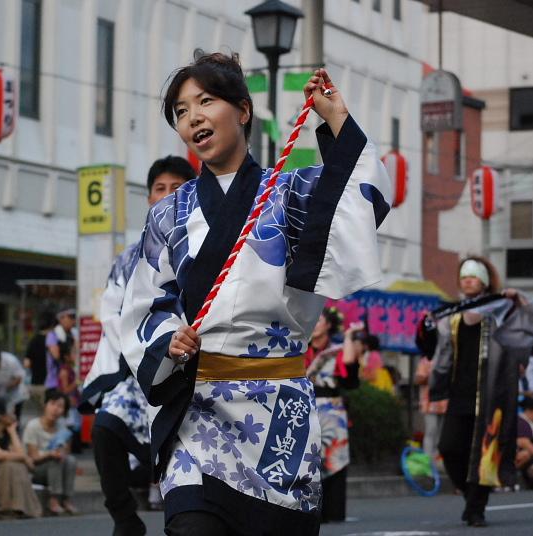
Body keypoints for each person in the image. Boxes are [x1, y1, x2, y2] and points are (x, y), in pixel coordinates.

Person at [120, 53, 389, 535]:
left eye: (205, 101)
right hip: (198, 415)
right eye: (181, 111)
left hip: (277, 408)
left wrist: (336, 120)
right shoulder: (167, 215)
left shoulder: (290, 194)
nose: (193, 117)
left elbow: (360, 201)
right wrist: (168, 339)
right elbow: (146, 302)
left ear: (242, 111)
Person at [80, 154, 195, 536]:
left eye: (177, 188)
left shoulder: (208, 246)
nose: (167, 195)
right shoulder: (130, 256)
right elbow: (112, 311)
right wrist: (144, 349)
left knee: (184, 457)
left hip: (194, 371)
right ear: (148, 198)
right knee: (106, 427)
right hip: (139, 368)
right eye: (159, 189)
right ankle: (125, 519)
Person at [429, 256, 533, 527]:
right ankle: (471, 495)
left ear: (486, 280)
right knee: (449, 448)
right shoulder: (453, 314)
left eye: (474, 274)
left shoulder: (501, 309)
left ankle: (477, 508)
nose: (468, 279)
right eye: (464, 275)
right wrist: (437, 385)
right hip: (460, 393)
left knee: (485, 452)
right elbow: (441, 354)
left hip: (493, 394)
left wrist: (520, 298)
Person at [306, 310, 360, 523]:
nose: (316, 324)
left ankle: (334, 511)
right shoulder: (301, 346)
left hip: (332, 409)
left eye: (319, 320)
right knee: (308, 460)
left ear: (329, 325)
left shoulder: (337, 349)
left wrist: (348, 337)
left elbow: (349, 372)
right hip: (306, 406)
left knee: (335, 458)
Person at [0, 398, 41, 518]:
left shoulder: (7, 431)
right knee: (12, 466)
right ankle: (4, 508)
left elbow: (18, 452)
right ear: (0, 416)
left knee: (18, 466)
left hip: (3, 467)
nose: (14, 415)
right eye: (11, 412)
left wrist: (12, 432)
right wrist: (24, 457)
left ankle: (21, 507)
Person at [23, 390, 77, 516]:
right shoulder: (33, 426)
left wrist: (61, 452)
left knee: (70, 460)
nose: (55, 409)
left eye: (60, 406)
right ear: (45, 405)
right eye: (52, 404)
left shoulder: (62, 429)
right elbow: (33, 457)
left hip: (57, 468)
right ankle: (54, 499)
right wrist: (50, 454)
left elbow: (67, 452)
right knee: (54, 460)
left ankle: (67, 498)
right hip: (36, 468)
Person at [0, 344, 29, 420]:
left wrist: (6, 386)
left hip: (14, 395)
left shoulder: (11, 361)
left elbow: (19, 378)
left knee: (13, 419)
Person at [414, 356, 447, 460]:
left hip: (444, 403)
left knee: (441, 434)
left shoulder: (447, 359)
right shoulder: (425, 360)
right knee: (430, 431)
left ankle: (438, 460)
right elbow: (419, 379)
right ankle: (427, 460)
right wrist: (434, 375)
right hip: (429, 403)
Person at [45, 310, 76, 392]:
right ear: (60, 319)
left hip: (70, 380)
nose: (73, 320)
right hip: (55, 383)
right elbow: (56, 355)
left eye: (74, 317)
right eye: (70, 317)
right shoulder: (53, 335)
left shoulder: (73, 334)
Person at [25, 310, 55, 388]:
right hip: (52, 384)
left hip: (36, 383)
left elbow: (27, 363)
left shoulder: (33, 340)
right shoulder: (54, 340)